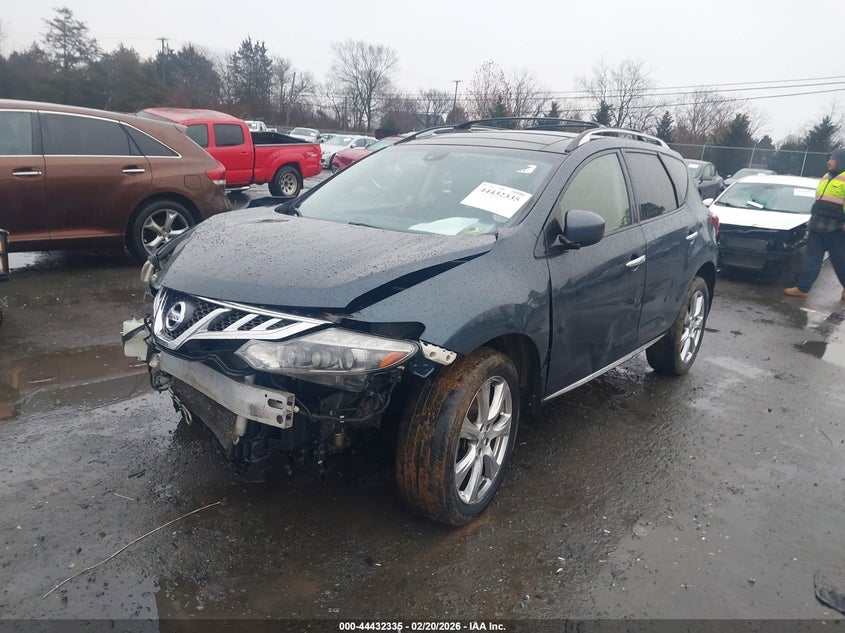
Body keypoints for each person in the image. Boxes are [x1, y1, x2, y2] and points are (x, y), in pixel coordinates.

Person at [784, 148, 845, 299]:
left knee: (840, 262)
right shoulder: (826, 177)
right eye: (829, 158)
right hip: (817, 225)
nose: (829, 162)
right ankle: (802, 288)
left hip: (837, 228)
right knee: (811, 260)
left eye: (832, 159)